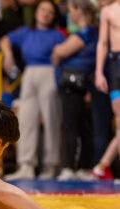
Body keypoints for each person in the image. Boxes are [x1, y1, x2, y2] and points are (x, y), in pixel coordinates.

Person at [0, 0, 65, 179]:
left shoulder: (58, 35)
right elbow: (4, 40)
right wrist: (9, 54)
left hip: (49, 73)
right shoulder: (26, 32)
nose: (45, 13)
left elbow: (65, 53)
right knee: (26, 119)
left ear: (54, 16)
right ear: (36, 12)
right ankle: (26, 166)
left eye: (50, 12)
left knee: (52, 119)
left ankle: (51, 166)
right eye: (43, 9)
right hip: (29, 74)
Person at [50, 0, 97, 180]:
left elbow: (60, 52)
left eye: (71, 10)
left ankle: (69, 167)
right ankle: (83, 167)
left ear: (79, 10)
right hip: (80, 83)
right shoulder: (91, 32)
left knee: (71, 125)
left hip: (73, 84)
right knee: (82, 125)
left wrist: (57, 51)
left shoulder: (85, 32)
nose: (69, 14)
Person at [95, 0, 120, 175]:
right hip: (116, 65)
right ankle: (102, 166)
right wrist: (98, 72)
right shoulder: (107, 11)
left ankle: (103, 165)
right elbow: (102, 43)